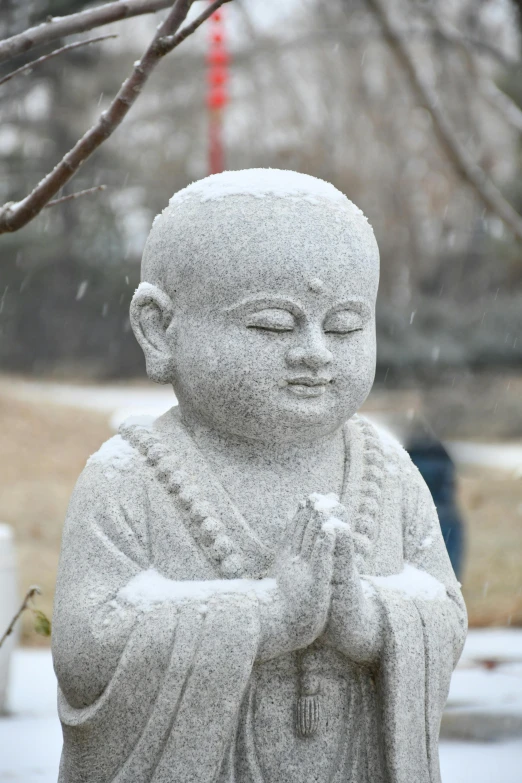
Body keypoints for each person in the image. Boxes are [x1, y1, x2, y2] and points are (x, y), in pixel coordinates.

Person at [52, 169, 467, 783]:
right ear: (159, 328)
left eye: (346, 325)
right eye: (273, 324)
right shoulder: (130, 476)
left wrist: (373, 621)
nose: (316, 352)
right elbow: (87, 650)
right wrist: (265, 617)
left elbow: (445, 613)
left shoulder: (389, 474)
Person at [405, 417, 465, 580]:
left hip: (417, 517)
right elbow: (450, 485)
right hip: (445, 514)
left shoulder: (407, 457)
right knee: (450, 568)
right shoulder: (442, 455)